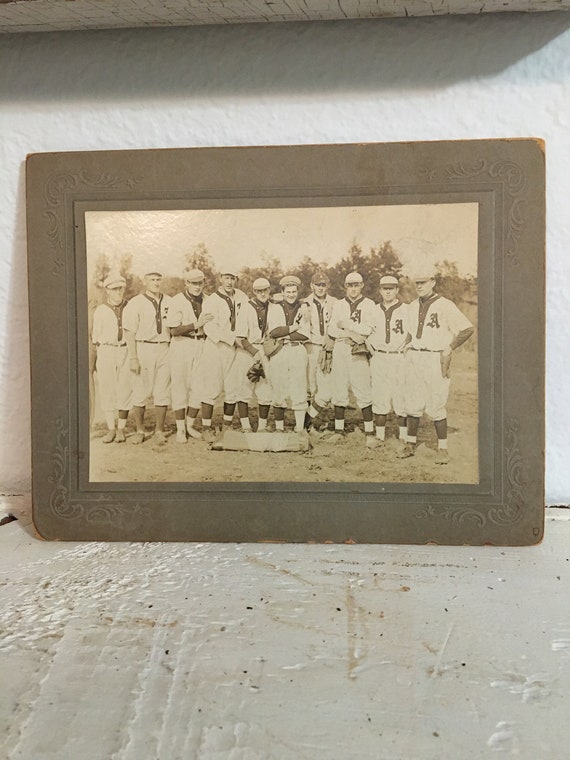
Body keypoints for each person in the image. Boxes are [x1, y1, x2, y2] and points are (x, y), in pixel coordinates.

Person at [400, 268, 474, 464]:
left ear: (433, 282)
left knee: (436, 403)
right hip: (415, 356)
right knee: (412, 402)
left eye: (424, 282)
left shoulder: (445, 305)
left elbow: (467, 329)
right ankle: (410, 443)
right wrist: (407, 345)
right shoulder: (412, 305)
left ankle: (442, 448)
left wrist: (450, 348)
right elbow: (410, 331)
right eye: (417, 283)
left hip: (434, 357)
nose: (420, 286)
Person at [320, 272, 376, 439]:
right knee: (339, 388)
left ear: (362, 286)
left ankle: (370, 433)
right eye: (350, 285)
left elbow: (368, 329)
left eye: (356, 285)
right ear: (345, 287)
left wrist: (346, 325)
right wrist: (351, 332)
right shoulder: (339, 305)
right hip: (340, 347)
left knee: (363, 389)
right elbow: (331, 329)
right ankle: (338, 431)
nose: (353, 288)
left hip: (358, 349)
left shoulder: (369, 304)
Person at [198, 269, 249, 441]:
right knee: (212, 388)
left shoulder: (242, 297)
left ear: (236, 279)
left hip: (235, 348)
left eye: (232, 278)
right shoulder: (212, 300)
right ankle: (206, 427)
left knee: (232, 387)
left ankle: (227, 425)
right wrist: (231, 339)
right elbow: (210, 328)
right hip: (216, 347)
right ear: (220, 279)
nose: (229, 282)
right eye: (226, 278)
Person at [123, 271, 171, 444]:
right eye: (152, 280)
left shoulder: (169, 301)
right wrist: (133, 357)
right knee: (140, 389)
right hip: (143, 347)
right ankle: (140, 430)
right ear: (145, 282)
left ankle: (159, 430)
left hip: (164, 347)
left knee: (162, 390)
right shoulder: (136, 302)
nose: (156, 283)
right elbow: (129, 331)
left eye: (159, 279)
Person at [166, 268, 213, 443]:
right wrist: (196, 324)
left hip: (201, 343)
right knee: (180, 386)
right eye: (193, 283)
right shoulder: (177, 300)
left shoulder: (208, 300)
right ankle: (180, 429)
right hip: (182, 344)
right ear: (186, 283)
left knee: (200, 387)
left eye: (200, 283)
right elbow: (173, 330)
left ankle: (190, 425)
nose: (197, 286)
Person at [367, 275, 410, 448]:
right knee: (379, 395)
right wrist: (371, 349)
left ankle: (404, 436)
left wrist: (407, 346)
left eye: (391, 288)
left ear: (397, 290)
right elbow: (367, 332)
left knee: (400, 395)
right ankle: (380, 436)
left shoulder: (406, 309)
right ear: (380, 291)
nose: (388, 291)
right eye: (385, 288)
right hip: (380, 356)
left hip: (398, 356)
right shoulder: (374, 310)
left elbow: (413, 332)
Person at [265, 275, 310, 433]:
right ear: (282, 292)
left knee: (299, 387)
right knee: (279, 388)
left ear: (297, 292)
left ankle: (299, 428)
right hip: (280, 350)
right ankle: (279, 428)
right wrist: (294, 328)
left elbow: (306, 334)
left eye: (294, 291)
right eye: (288, 291)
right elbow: (274, 332)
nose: (291, 294)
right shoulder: (275, 308)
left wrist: (285, 332)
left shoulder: (304, 308)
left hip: (298, 349)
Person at [91, 273, 132, 443]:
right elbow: (96, 336)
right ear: (107, 290)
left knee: (125, 387)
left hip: (125, 349)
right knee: (107, 388)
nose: (118, 292)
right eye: (114, 289)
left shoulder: (130, 306)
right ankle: (111, 428)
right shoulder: (101, 310)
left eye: (120, 288)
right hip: (107, 349)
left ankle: (121, 428)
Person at [234, 277, 274, 431]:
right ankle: (246, 426)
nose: (262, 293)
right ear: (254, 292)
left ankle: (262, 427)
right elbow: (240, 337)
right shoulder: (246, 307)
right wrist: (254, 352)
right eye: (259, 291)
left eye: (265, 290)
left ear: (269, 290)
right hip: (247, 349)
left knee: (266, 389)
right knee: (244, 389)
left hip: (266, 349)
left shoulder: (273, 307)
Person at [303, 271, 337, 426]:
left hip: (326, 349)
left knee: (326, 391)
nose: (320, 288)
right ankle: (304, 426)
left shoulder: (335, 302)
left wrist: (332, 339)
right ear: (312, 286)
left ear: (327, 286)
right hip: (309, 347)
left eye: (323, 285)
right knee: (308, 388)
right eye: (318, 285)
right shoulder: (304, 303)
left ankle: (306, 420)